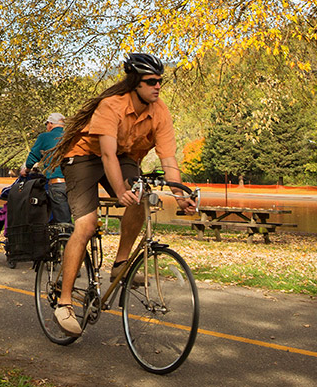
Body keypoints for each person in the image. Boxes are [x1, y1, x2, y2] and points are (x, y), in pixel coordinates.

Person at [47, 52, 194, 337]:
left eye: (160, 81)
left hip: (123, 156)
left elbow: (168, 158)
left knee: (142, 194)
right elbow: (106, 154)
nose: (157, 86)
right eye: (151, 81)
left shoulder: (159, 111)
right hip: (84, 158)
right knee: (87, 225)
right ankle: (64, 303)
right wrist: (121, 191)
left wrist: (179, 193)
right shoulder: (111, 105)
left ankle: (119, 264)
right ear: (135, 83)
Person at [26, 112, 69, 223]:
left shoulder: (45, 137)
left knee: (63, 222)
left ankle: (67, 239)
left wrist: (26, 169)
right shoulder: (71, 136)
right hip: (75, 184)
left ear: (50, 124)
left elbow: (32, 157)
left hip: (57, 184)